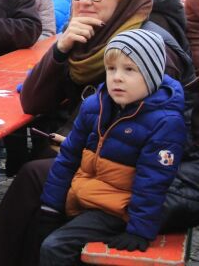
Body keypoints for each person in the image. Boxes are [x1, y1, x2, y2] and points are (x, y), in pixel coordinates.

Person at [0, 0, 194, 266]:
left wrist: (82, 144)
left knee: (35, 177)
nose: (84, 0)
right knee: (41, 173)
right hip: (96, 157)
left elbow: (149, 134)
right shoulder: (91, 37)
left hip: (150, 174)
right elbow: (33, 101)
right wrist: (60, 49)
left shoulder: (149, 49)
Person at [34, 29, 186, 264]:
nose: (117, 77)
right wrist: (51, 207)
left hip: (118, 208)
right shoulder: (95, 105)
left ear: (152, 74)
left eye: (130, 70)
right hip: (85, 196)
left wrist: (139, 229)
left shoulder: (164, 122)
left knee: (55, 247)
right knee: (33, 224)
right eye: (111, 69)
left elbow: (153, 182)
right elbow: (68, 156)